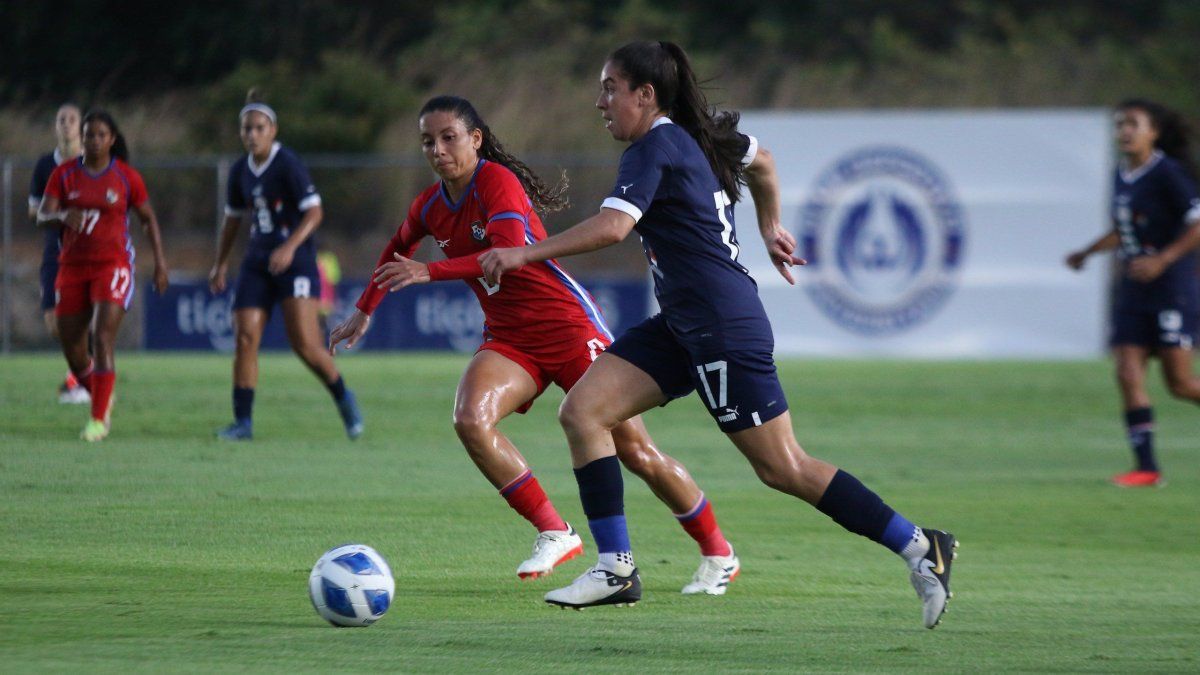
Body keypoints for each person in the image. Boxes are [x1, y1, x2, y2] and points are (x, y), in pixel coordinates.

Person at [480, 41, 958, 628]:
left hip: (721, 327)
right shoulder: (701, 134)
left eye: (609, 87)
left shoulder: (652, 146)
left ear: (644, 94)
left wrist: (524, 253)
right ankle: (616, 569)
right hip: (683, 324)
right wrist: (769, 223)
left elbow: (613, 227)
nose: (599, 101)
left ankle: (921, 547)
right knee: (583, 412)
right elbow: (765, 161)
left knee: (783, 467)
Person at [328, 95, 742, 593]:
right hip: (509, 337)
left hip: (569, 327)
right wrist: (363, 309)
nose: (437, 150)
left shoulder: (497, 182)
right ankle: (555, 530)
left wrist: (429, 271)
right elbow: (396, 248)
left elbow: (502, 253)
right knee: (470, 420)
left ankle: (718, 551)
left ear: (475, 139)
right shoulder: (431, 204)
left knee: (637, 452)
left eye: (447, 137)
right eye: (426, 141)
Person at [209, 90, 363, 441]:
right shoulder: (239, 172)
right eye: (246, 128)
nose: (252, 134)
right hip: (256, 262)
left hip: (296, 263)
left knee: (305, 345)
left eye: (259, 127)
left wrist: (290, 247)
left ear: (273, 130)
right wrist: (219, 264)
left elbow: (315, 212)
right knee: (245, 337)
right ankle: (243, 423)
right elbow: (231, 220)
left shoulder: (288, 164)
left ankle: (344, 398)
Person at [1066, 98, 1200, 488]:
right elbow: (1125, 229)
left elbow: (1196, 225)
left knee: (1180, 384)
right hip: (1134, 292)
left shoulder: (1168, 174)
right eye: (1121, 124)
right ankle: (1146, 468)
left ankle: (1146, 466)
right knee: (1126, 371)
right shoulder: (1121, 175)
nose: (1124, 131)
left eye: (1133, 124)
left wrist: (1162, 260)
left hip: (1172, 288)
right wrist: (1088, 252)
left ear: (1153, 132)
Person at [37, 110, 170, 441]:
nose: (93, 140)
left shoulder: (125, 177)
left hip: (113, 265)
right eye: (88, 134)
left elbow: (148, 219)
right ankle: (101, 395)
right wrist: (63, 215)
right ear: (81, 138)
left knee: (101, 337)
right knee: (71, 344)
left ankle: (97, 421)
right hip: (71, 267)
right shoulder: (64, 175)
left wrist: (160, 263)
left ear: (111, 139)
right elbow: (42, 215)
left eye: (100, 135)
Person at [28, 103, 89, 404]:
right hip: (56, 249)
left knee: (84, 318)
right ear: (55, 126)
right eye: (60, 119)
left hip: (88, 251)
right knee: (54, 323)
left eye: (72, 119)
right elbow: (33, 211)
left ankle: (79, 381)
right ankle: (86, 373)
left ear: (81, 127)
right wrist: (59, 215)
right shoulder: (44, 166)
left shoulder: (92, 162)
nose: (66, 124)